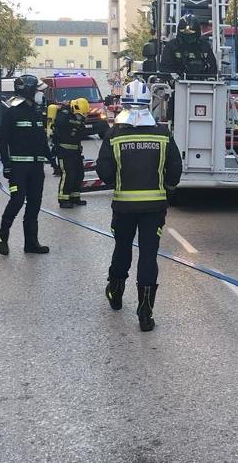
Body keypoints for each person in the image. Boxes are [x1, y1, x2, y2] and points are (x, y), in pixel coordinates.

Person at [96, 79, 182, 332]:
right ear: (150, 106)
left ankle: (116, 293)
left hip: (123, 208)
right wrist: (167, 188)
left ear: (123, 104)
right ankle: (145, 313)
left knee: (122, 249)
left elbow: (104, 171)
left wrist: (119, 181)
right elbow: (175, 169)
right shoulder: (163, 135)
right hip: (154, 209)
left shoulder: (114, 135)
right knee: (148, 256)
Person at [0, 74, 52, 256]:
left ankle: (31, 243)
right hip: (18, 168)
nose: (39, 94)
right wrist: (6, 165)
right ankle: (2, 236)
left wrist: (53, 161)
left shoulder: (37, 111)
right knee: (17, 201)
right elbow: (3, 141)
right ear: (28, 91)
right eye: (36, 90)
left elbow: (42, 140)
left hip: (36, 168)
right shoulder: (12, 112)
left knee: (34, 204)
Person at [52, 97, 88, 207]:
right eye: (79, 115)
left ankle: (75, 197)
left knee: (79, 174)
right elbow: (60, 125)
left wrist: (79, 122)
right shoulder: (63, 113)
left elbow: (81, 132)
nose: (80, 117)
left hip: (75, 151)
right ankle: (63, 199)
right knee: (68, 174)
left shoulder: (77, 116)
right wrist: (75, 122)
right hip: (64, 151)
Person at [159, 14, 218, 78]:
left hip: (202, 84)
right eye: (184, 35)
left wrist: (210, 79)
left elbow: (213, 69)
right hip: (176, 84)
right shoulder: (171, 47)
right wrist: (173, 77)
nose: (188, 39)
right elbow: (164, 69)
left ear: (197, 34)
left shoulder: (204, 47)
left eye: (191, 36)